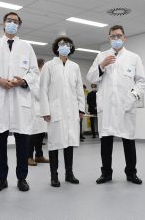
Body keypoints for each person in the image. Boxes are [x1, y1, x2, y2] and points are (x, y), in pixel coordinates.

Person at [0, 12, 39, 193]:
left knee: (22, 143)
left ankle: (22, 178)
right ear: (3, 23)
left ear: (19, 25)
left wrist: (23, 81)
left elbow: (34, 71)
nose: (12, 23)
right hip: (1, 100)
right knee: (0, 143)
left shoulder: (27, 47)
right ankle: (1, 179)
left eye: (15, 21)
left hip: (20, 100)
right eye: (9, 21)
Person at [87, 25, 145, 184]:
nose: (116, 39)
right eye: (113, 36)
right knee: (106, 141)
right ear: (109, 38)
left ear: (124, 38)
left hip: (125, 106)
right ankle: (106, 173)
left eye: (119, 36)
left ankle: (131, 173)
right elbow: (91, 78)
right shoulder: (102, 56)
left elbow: (142, 82)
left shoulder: (134, 57)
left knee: (128, 140)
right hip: (106, 106)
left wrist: (132, 97)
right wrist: (102, 65)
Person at [40, 36, 85, 187]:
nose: (64, 46)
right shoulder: (49, 66)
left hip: (71, 111)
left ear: (71, 47)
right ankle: (54, 175)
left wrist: (81, 109)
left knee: (70, 142)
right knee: (54, 143)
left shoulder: (75, 66)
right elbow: (43, 89)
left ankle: (69, 173)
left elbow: (79, 89)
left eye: (67, 44)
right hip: (55, 110)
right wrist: (45, 110)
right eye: (61, 44)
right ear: (56, 47)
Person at [28, 58, 49, 166]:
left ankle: (39, 156)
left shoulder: (42, 77)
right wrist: (47, 95)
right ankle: (29, 157)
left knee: (41, 134)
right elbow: (37, 93)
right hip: (34, 109)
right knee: (33, 135)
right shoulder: (33, 77)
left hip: (42, 109)